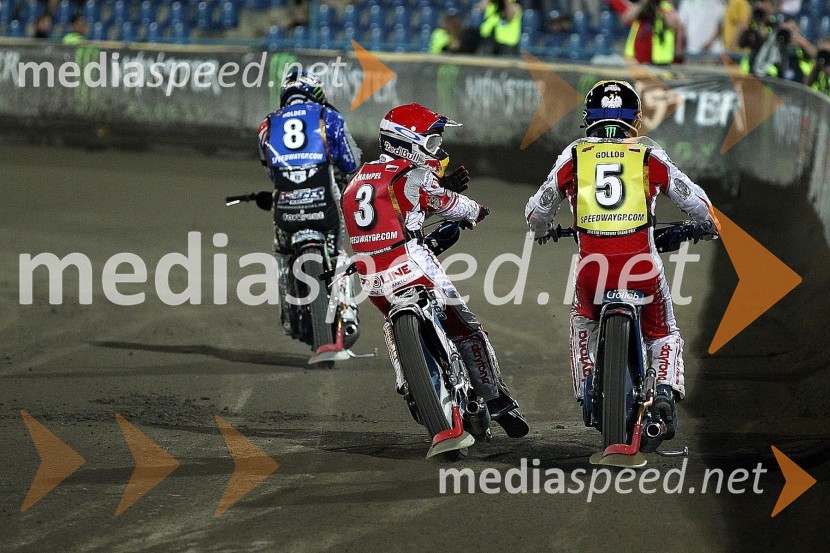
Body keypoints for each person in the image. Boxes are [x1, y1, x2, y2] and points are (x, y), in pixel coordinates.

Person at [524, 81, 720, 441]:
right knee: (663, 331)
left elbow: (537, 210)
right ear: (637, 119)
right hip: (642, 265)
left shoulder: (573, 155)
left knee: (582, 321)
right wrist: (708, 225)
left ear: (589, 119)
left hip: (592, 270)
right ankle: (663, 389)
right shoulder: (648, 156)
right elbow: (692, 198)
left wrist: (541, 229)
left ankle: (587, 389)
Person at [341, 103, 529, 438]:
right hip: (411, 261)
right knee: (466, 328)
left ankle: (408, 381)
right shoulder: (415, 174)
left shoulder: (356, 180)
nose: (436, 148)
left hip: (370, 275)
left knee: (389, 322)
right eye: (430, 142)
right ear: (405, 143)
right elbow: (449, 204)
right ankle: (495, 398)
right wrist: (476, 211)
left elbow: (394, 208)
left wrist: (442, 185)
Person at [257, 69, 362, 340]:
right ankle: (348, 313)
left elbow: (270, 170)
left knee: (282, 253)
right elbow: (351, 162)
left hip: (286, 207)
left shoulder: (267, 125)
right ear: (316, 94)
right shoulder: (329, 117)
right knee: (338, 252)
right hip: (324, 203)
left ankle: (288, 316)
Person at [611, 0, 684, 65]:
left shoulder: (667, 10)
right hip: (637, 61)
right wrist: (643, 3)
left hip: (661, 62)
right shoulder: (641, 8)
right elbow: (625, 19)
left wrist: (677, 57)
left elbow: (679, 29)